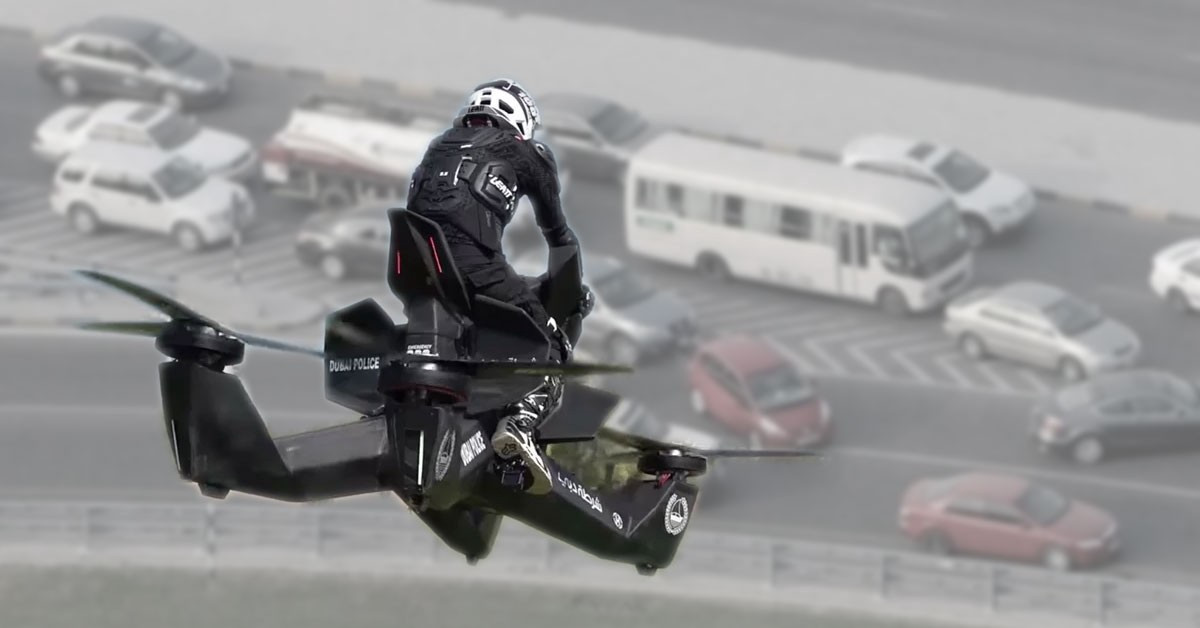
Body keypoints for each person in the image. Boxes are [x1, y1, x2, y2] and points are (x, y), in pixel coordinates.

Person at [405, 78, 583, 495]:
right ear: (522, 120)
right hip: (475, 269)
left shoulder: (438, 145)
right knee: (550, 345)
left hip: (418, 272)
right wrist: (567, 293)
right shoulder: (527, 152)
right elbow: (557, 233)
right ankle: (519, 425)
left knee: (480, 320)